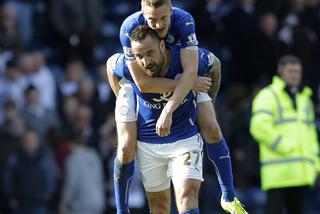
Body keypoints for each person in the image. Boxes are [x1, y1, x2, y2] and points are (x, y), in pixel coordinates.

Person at [111, 0, 247, 213]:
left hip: (184, 124)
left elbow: (210, 66)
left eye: (163, 18)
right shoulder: (131, 33)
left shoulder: (184, 25)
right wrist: (122, 100)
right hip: (148, 117)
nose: (157, 25)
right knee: (129, 153)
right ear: (142, 13)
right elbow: (130, 77)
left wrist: (205, 103)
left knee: (209, 128)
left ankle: (229, 197)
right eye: (152, 20)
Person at [249, 55, 319, 214]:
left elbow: (310, 134)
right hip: (279, 172)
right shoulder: (268, 96)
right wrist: (284, 146)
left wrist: (316, 164)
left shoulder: (304, 99)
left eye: (298, 71)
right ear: (280, 72)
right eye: (291, 71)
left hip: (302, 172)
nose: (295, 75)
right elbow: (258, 126)